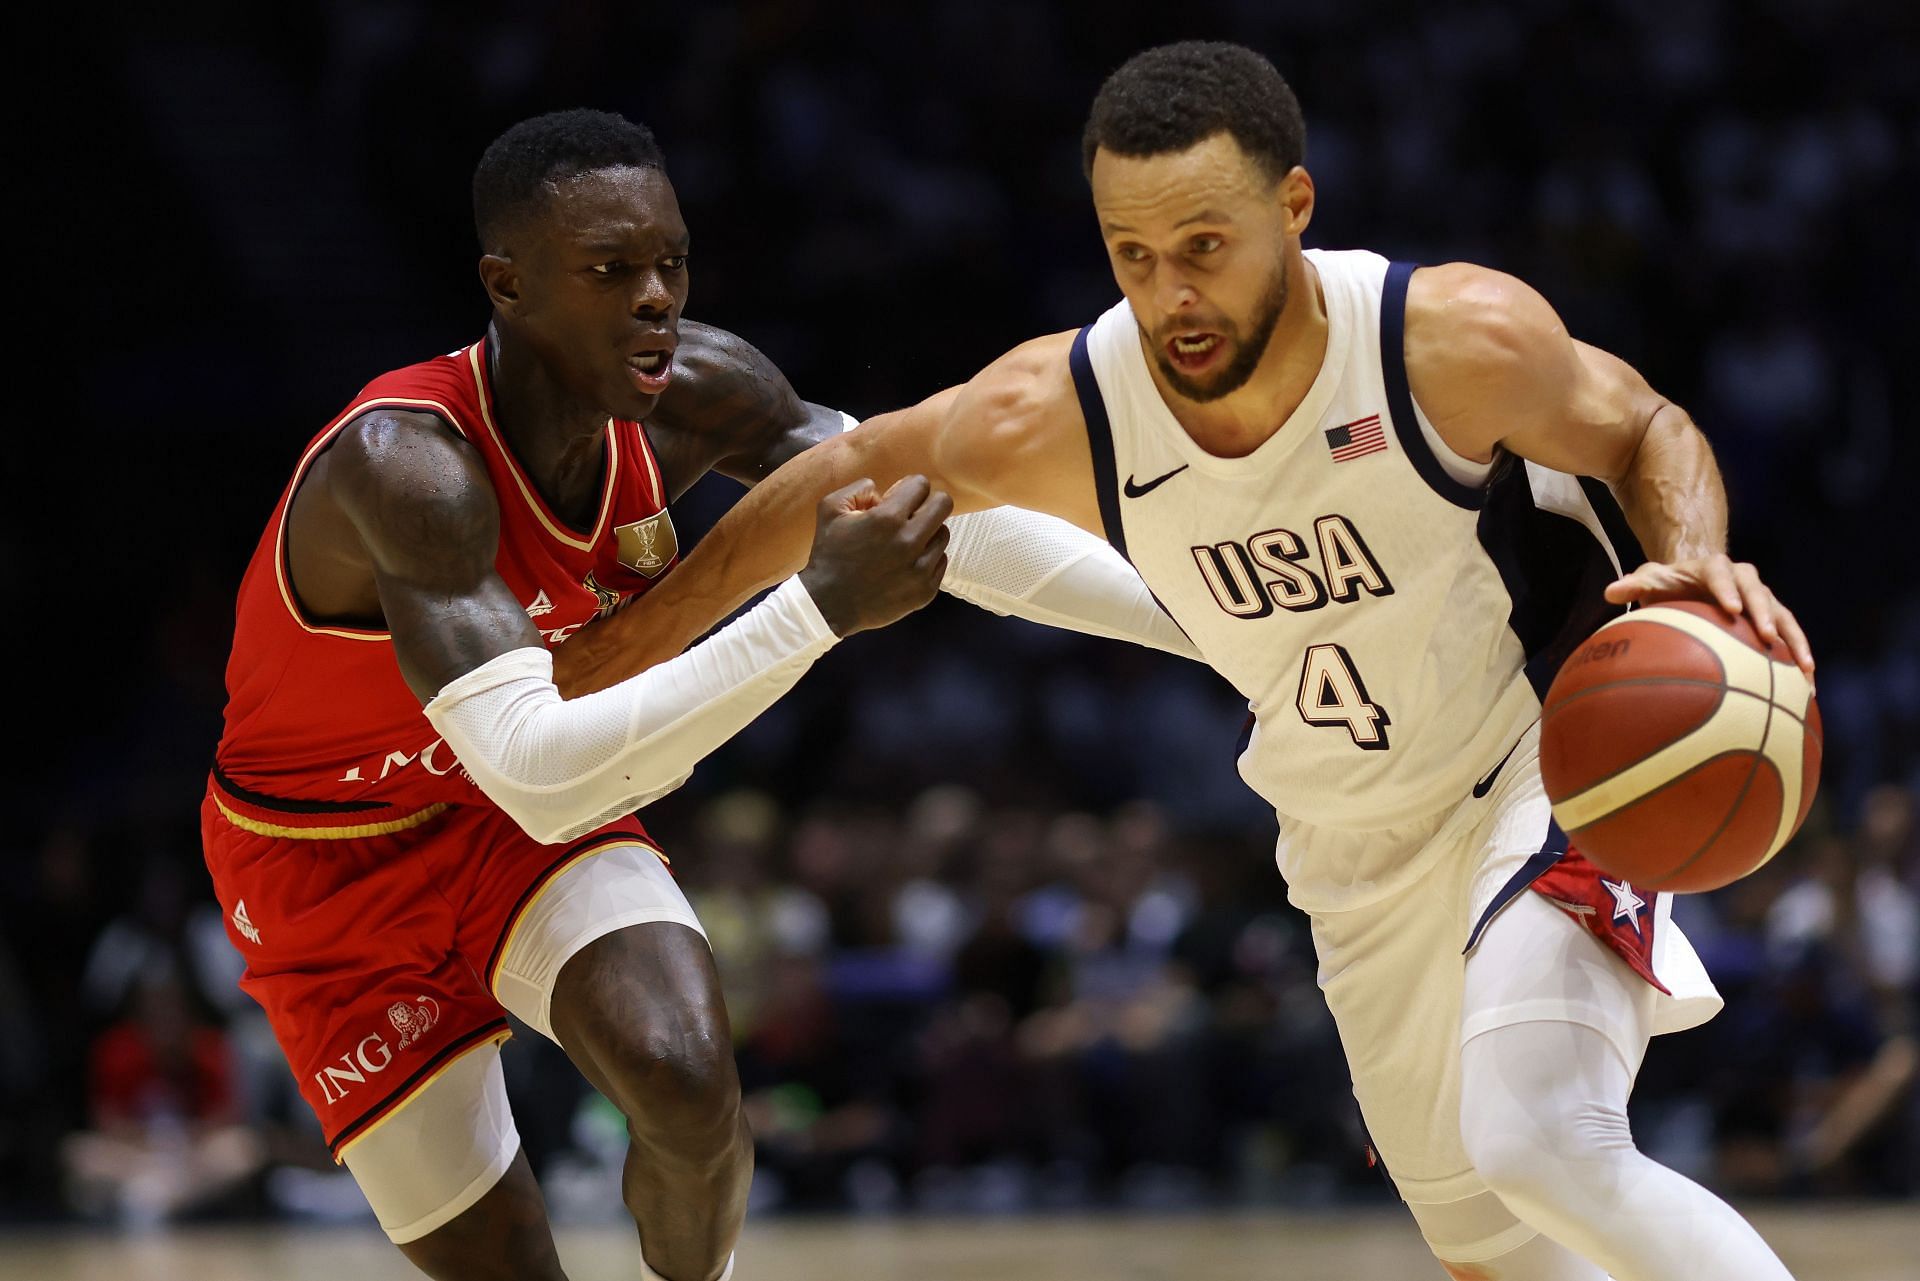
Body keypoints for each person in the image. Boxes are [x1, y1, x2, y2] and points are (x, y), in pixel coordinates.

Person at [607, 44, 1819, 1281]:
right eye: (1133, 257)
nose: (1170, 293)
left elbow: (1645, 427)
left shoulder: (1445, 338)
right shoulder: (1069, 404)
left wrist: (1698, 565)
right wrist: (618, 650)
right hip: (1351, 840)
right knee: (1487, 1247)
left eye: (1203, 248)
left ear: (1293, 207)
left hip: (1543, 764)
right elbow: (836, 481)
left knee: (1544, 1142)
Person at [204, 110, 1192, 1281]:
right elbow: (538, 762)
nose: (657, 296)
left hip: (513, 826)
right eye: (612, 271)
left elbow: (936, 518)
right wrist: (815, 611)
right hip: (325, 863)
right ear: (507, 284)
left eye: (671, 261)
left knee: (684, 1076)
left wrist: (1212, 630)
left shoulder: (703, 391)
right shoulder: (409, 467)